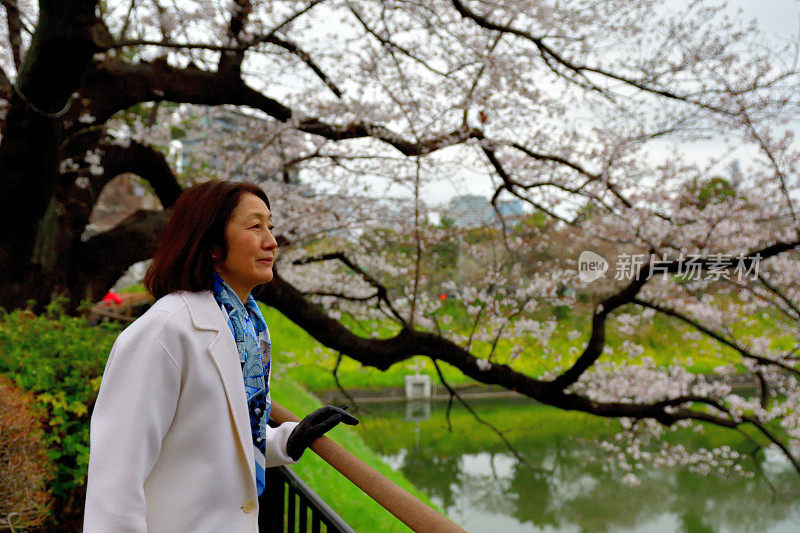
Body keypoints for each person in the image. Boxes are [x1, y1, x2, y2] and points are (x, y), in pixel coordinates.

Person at [83, 180, 357, 532]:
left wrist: (287, 438)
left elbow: (210, 439)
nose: (272, 241)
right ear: (211, 243)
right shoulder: (164, 331)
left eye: (270, 227)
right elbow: (115, 484)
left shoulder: (246, 327)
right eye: (255, 226)